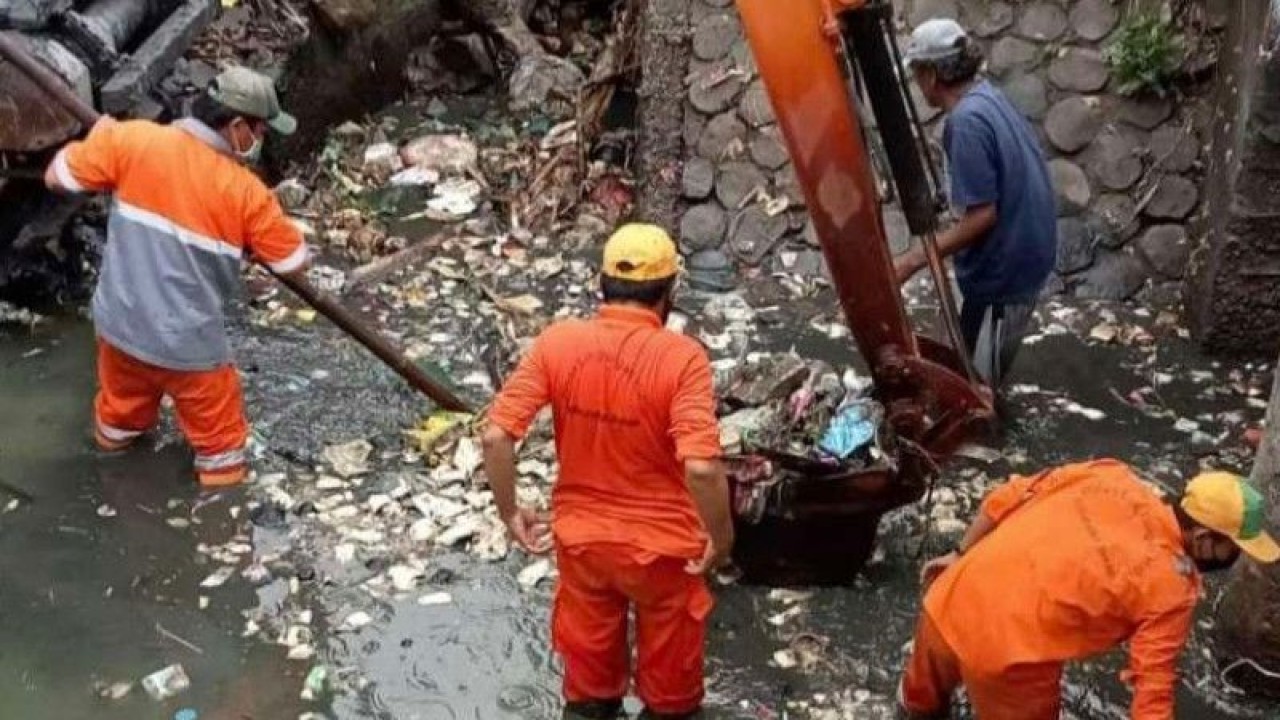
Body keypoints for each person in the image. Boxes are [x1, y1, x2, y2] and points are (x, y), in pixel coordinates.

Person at [481, 223, 734, 720]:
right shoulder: (683, 359)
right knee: (672, 703)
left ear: (602, 284)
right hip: (665, 556)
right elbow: (702, 468)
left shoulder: (560, 342)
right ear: (670, 291)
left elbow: (495, 435)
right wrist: (722, 538)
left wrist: (509, 511)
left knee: (589, 696)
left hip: (583, 547)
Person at [44, 66, 309, 487]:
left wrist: (105, 140)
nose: (260, 141)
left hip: (121, 329)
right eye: (259, 131)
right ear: (238, 126)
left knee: (116, 421)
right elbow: (293, 262)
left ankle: (109, 484)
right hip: (190, 349)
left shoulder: (131, 139)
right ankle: (218, 527)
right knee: (222, 449)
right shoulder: (245, 193)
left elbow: (56, 175)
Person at [899, 460, 1280, 719]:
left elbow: (1010, 495)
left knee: (916, 705)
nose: (1237, 559)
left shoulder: (1109, 476)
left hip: (950, 596)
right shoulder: (1171, 587)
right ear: (1202, 538)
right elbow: (1153, 686)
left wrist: (958, 553)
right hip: (1007, 658)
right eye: (1235, 548)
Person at [893, 18, 1057, 388]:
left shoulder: (966, 122)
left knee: (977, 390)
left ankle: (987, 437)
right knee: (968, 360)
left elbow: (983, 215)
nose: (918, 86)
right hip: (1026, 257)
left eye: (918, 74)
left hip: (1004, 273)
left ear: (932, 75)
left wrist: (915, 260)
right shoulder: (988, 98)